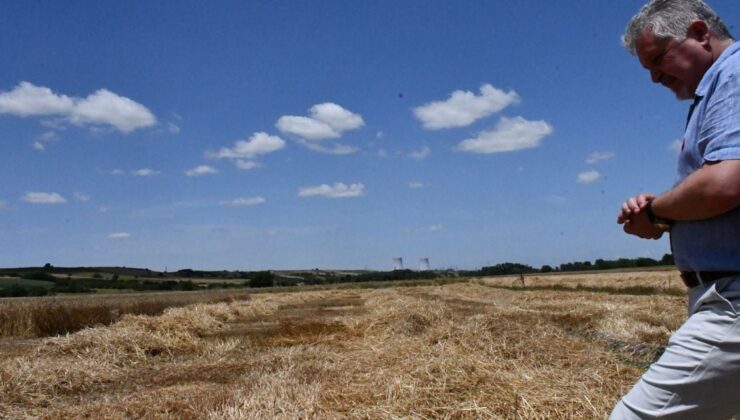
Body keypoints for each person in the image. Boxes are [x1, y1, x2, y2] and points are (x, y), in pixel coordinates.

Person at [613, 0, 740, 418]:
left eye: (658, 58)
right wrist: (663, 209)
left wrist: (656, 213)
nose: (653, 77)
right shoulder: (713, 92)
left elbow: (725, 183)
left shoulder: (734, 75)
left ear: (700, 33)